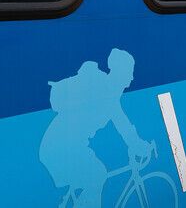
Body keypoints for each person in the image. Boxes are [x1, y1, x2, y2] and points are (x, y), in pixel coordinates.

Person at [39, 49, 150, 208]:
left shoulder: (107, 90)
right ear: (120, 72)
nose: (131, 78)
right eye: (129, 73)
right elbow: (124, 127)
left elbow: (124, 126)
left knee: (94, 176)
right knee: (96, 175)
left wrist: (137, 144)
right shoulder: (105, 90)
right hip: (60, 148)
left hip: (61, 145)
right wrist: (140, 146)